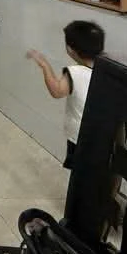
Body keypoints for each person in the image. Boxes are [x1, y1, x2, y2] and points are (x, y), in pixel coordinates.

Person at [26, 20, 105, 170]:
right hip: (101, 134)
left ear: (70, 49)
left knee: (79, 171)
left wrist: (45, 65)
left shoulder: (74, 73)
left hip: (80, 136)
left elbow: (56, 91)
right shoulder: (106, 69)